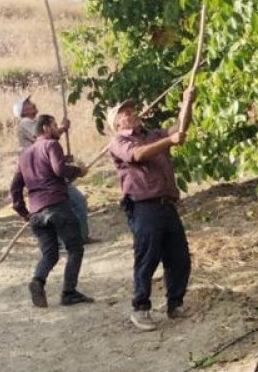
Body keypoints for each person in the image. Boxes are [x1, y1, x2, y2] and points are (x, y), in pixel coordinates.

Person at [105, 91, 195, 332]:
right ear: (117, 124)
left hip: (167, 204)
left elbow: (180, 127)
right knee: (147, 257)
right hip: (143, 206)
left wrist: (187, 103)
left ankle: (175, 304)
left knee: (179, 257)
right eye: (125, 113)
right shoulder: (118, 142)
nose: (132, 114)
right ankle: (140, 307)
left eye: (132, 110)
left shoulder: (152, 134)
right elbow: (138, 155)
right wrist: (170, 141)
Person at [10, 114, 93, 308]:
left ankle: (38, 280)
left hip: (36, 212)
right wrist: (78, 171)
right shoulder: (51, 145)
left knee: (50, 254)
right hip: (57, 205)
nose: (58, 129)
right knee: (75, 249)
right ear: (46, 127)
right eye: (55, 125)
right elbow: (59, 170)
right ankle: (69, 292)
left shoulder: (24, 155)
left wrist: (24, 213)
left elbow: (15, 189)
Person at [12, 95, 91, 242]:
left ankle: (76, 238)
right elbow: (42, 137)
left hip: (41, 169)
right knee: (73, 203)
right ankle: (76, 239)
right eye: (28, 104)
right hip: (44, 172)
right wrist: (62, 129)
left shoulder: (33, 125)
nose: (32, 104)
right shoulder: (26, 123)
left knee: (67, 205)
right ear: (23, 111)